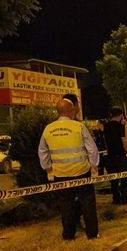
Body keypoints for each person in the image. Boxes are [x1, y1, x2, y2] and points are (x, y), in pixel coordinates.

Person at [38, 99, 99, 240]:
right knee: (88, 204)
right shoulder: (79, 127)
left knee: (65, 206)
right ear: (71, 110)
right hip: (81, 172)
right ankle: (92, 234)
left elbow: (42, 151)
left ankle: (68, 235)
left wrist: (48, 168)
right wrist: (94, 166)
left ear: (58, 111)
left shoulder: (48, 129)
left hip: (61, 173)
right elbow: (92, 149)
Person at [104, 106, 127, 204]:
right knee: (125, 179)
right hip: (121, 156)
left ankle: (115, 198)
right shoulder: (120, 127)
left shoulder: (106, 126)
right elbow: (124, 142)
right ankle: (124, 199)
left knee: (114, 181)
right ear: (120, 115)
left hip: (111, 156)